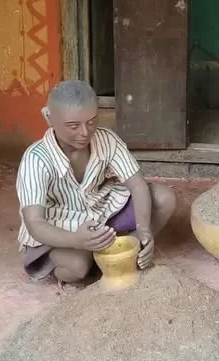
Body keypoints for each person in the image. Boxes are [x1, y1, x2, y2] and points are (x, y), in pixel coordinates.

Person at [16, 80, 176, 284]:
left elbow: (137, 185)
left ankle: (124, 249)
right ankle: (95, 253)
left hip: (101, 211)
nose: (85, 132)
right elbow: (35, 223)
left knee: (164, 198)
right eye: (73, 126)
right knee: (77, 268)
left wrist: (144, 231)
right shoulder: (36, 159)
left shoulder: (107, 140)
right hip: (62, 228)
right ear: (48, 117)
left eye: (91, 121)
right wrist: (76, 240)